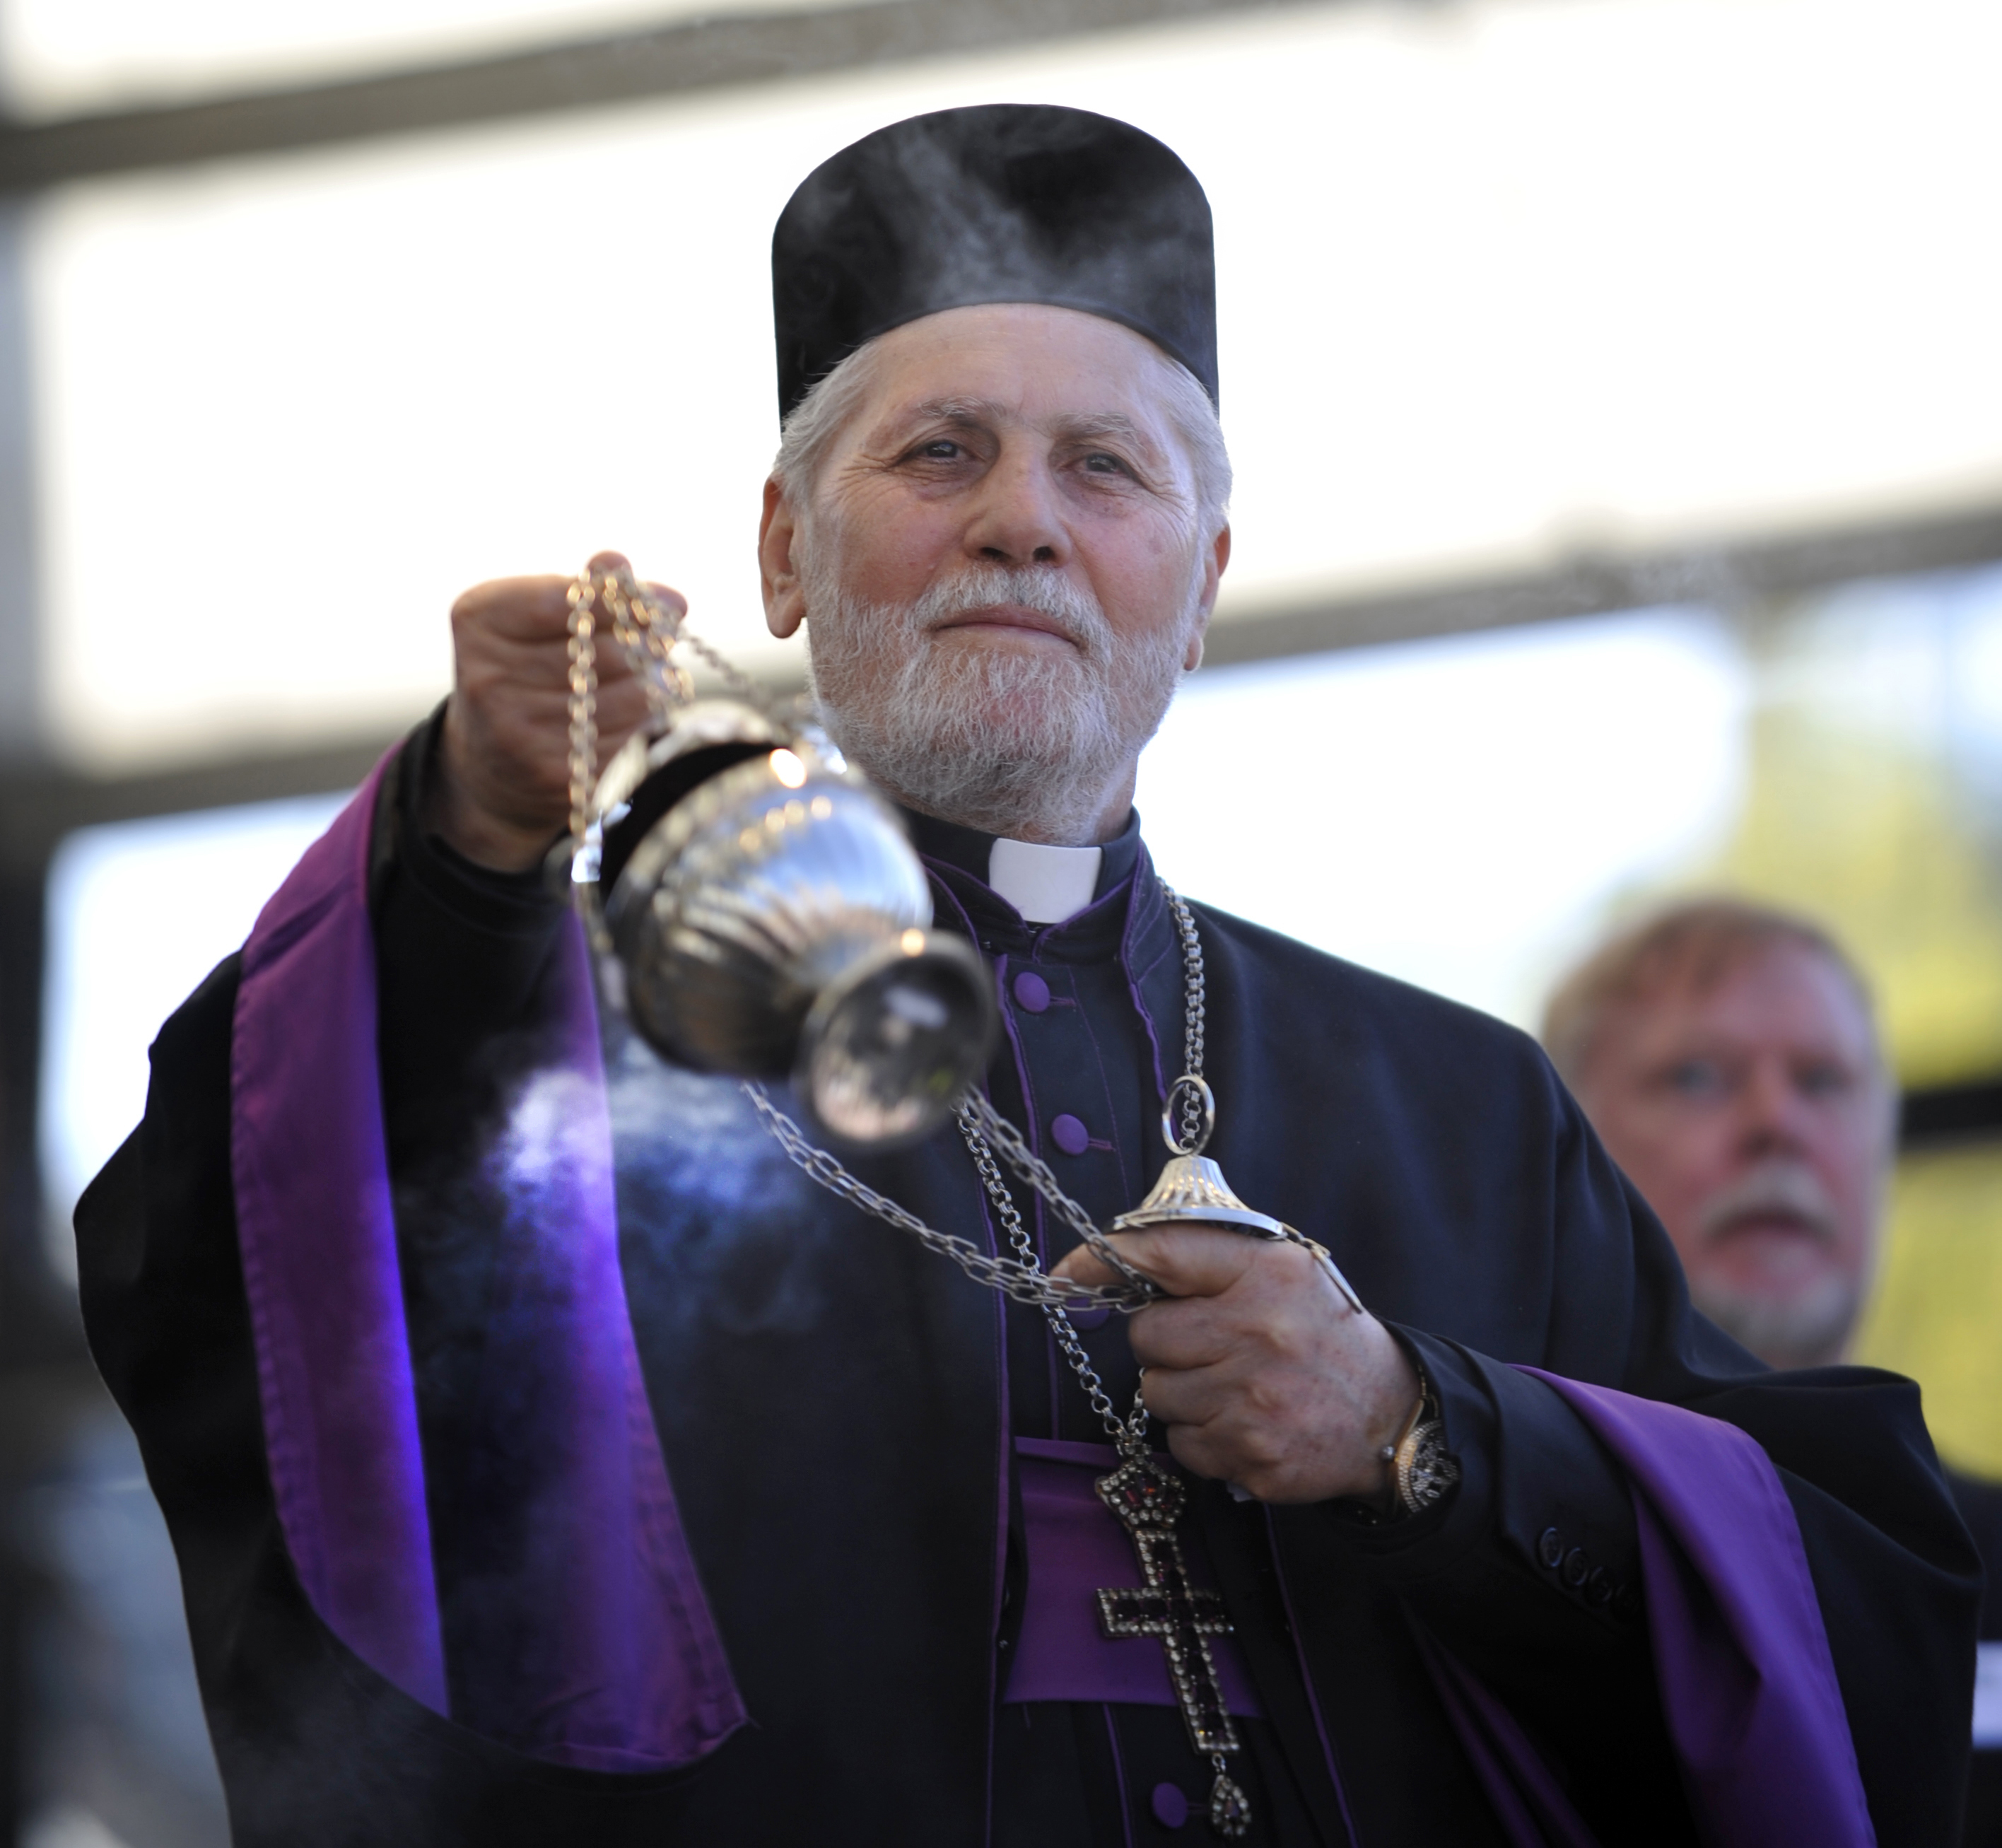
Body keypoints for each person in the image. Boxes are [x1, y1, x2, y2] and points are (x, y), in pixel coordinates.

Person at [74, 107, 1976, 1847]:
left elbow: (1861, 1618)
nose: (1022, 519)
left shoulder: (1464, 1109)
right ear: (784, 552)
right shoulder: (556, 1026)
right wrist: (461, 842)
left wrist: (1424, 1426)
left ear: (1204, 575)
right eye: (939, 451)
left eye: (1102, 466)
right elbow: (256, 1258)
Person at [1543, 896, 2001, 1844]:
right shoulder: (1468, 1552)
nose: (1775, 1122)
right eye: (1697, 1075)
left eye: (1824, 1080)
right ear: (1565, 1160)